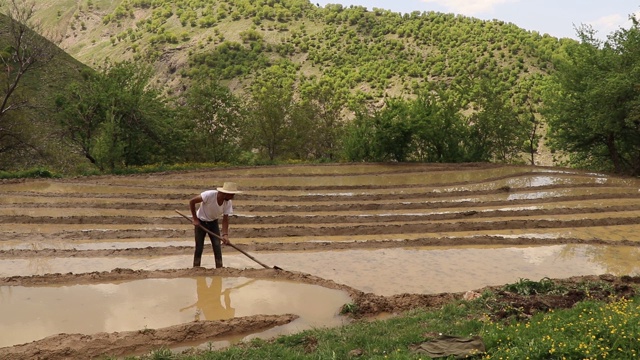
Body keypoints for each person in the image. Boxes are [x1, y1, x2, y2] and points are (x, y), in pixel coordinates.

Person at [189, 182, 242, 268]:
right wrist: (195, 219)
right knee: (199, 246)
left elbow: (225, 219)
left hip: (213, 223)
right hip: (200, 222)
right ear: (225, 193)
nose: (232, 197)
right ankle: (196, 268)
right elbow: (192, 201)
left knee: (217, 246)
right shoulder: (209, 195)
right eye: (232, 195)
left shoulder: (228, 203)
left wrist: (225, 235)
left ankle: (219, 267)